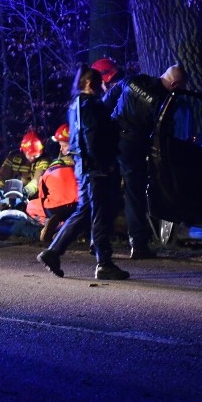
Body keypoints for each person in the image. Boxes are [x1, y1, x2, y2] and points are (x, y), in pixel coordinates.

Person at [37, 65, 129, 280]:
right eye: (99, 84)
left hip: (85, 166)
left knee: (85, 212)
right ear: (90, 84)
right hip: (95, 167)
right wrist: (103, 163)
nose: (102, 88)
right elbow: (93, 135)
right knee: (100, 214)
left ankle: (53, 252)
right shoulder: (90, 105)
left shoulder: (76, 105)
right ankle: (104, 263)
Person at [112, 63, 188, 259]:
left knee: (102, 189)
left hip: (109, 137)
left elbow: (110, 97)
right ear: (175, 84)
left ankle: (97, 241)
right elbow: (164, 134)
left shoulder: (135, 80)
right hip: (131, 146)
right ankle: (138, 245)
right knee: (134, 192)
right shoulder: (164, 103)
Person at [26, 124, 79, 242]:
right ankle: (65, 227)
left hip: (53, 207)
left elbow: (41, 192)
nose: (61, 149)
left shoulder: (50, 167)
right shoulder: (79, 166)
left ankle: (49, 224)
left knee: (30, 206)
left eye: (64, 145)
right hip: (77, 206)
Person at [0, 130, 50, 200]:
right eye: (29, 155)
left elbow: (37, 180)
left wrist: (26, 191)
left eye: (35, 155)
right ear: (23, 150)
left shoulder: (44, 160)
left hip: (31, 199)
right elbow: (1, 176)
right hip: (8, 196)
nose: (32, 158)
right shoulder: (13, 157)